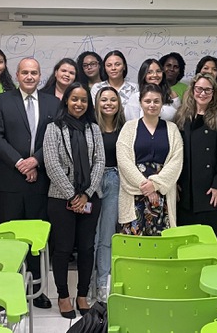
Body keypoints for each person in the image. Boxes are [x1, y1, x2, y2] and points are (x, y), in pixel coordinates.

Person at [0, 57, 59, 309]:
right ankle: (6, 292)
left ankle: (36, 289)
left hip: (39, 182)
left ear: (41, 76)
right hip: (9, 180)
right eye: (25, 73)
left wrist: (35, 162)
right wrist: (20, 163)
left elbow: (55, 139)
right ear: (17, 75)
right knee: (9, 240)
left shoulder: (53, 102)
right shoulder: (2, 100)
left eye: (35, 73)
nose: (30, 77)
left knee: (36, 242)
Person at [43, 82, 105, 319]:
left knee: (87, 248)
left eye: (83, 100)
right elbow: (51, 164)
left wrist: (86, 194)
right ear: (66, 101)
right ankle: (62, 296)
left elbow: (99, 161)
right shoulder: (53, 128)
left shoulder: (93, 129)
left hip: (90, 197)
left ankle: (81, 295)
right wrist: (72, 195)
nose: (79, 104)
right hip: (61, 199)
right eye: (74, 99)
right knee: (63, 248)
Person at [118, 84, 184, 234]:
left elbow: (176, 161)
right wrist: (145, 186)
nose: (152, 105)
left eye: (156, 101)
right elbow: (124, 161)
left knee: (162, 246)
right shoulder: (128, 128)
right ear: (141, 102)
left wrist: (155, 184)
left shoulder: (172, 129)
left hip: (163, 194)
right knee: (134, 245)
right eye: (148, 101)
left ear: (162, 103)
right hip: (134, 193)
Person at [174, 74, 217, 241]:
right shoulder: (183, 115)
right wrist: (175, 181)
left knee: (210, 237)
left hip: (210, 187)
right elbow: (177, 152)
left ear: (214, 93)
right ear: (193, 90)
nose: (202, 93)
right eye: (199, 89)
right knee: (188, 239)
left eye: (207, 90)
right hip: (186, 185)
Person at [93, 86, 126, 300]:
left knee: (106, 236)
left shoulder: (125, 128)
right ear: (97, 103)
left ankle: (102, 285)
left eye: (113, 100)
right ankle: (86, 285)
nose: (108, 103)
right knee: (90, 237)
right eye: (104, 99)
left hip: (115, 180)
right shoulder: (90, 127)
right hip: (91, 182)